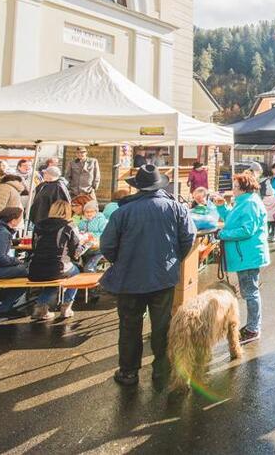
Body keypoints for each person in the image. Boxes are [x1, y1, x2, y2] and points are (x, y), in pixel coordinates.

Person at [99, 165, 196, 387]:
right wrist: (173, 261)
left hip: (129, 278)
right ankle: (162, 371)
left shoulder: (122, 211)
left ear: (138, 187)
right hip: (162, 277)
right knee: (162, 325)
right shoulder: (176, 208)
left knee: (129, 326)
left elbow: (107, 245)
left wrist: (121, 261)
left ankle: (129, 372)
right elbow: (188, 238)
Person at [214, 174, 270, 343]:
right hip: (245, 255)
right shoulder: (245, 201)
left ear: (244, 188)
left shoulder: (250, 203)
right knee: (249, 292)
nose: (233, 189)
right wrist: (222, 207)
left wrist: (222, 234)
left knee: (250, 293)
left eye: (236, 186)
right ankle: (253, 326)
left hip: (247, 255)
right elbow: (233, 219)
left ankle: (253, 329)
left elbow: (247, 230)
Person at [29, 200, 82, 320]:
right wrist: (83, 245)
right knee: (75, 273)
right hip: (58, 266)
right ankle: (66, 306)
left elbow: (34, 246)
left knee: (54, 279)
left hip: (35, 267)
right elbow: (76, 253)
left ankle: (41, 307)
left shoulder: (38, 225)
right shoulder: (69, 226)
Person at [77, 200, 108, 271]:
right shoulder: (82, 222)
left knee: (89, 267)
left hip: (98, 246)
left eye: (91, 212)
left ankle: (90, 270)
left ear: (96, 212)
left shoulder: (101, 220)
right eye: (86, 212)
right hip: (86, 247)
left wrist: (93, 235)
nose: (89, 214)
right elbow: (79, 232)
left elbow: (105, 233)